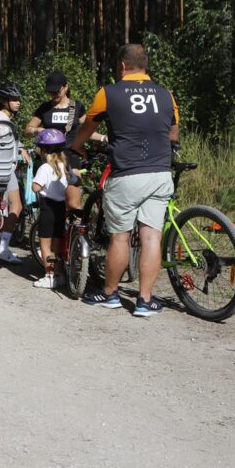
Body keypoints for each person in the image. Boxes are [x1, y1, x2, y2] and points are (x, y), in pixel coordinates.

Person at [72, 43, 180, 317]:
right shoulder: (166, 95)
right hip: (160, 173)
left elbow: (88, 126)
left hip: (127, 173)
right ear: (145, 65)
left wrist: (76, 146)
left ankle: (110, 294)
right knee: (151, 236)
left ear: (122, 66)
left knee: (120, 237)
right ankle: (145, 301)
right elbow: (173, 134)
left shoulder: (108, 93)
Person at [24, 70, 107, 213]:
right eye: (50, 92)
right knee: (51, 204)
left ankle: (75, 224)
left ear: (65, 87)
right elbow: (27, 130)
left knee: (73, 204)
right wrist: (37, 130)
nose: (53, 95)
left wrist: (104, 138)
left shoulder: (76, 107)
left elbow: (87, 131)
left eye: (57, 91)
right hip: (48, 157)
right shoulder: (45, 108)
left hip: (70, 155)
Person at [0, 82, 26, 265]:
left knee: (2, 210)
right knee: (16, 207)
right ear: (4, 101)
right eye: (14, 99)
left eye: (18, 99)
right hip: (4, 169)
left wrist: (20, 147)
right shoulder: (1, 122)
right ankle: (3, 247)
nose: (18, 102)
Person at [30, 129, 71, 288]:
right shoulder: (65, 166)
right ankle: (59, 275)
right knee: (57, 245)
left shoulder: (45, 168)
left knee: (45, 246)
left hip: (48, 208)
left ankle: (49, 276)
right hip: (61, 208)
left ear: (44, 150)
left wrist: (37, 184)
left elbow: (35, 187)